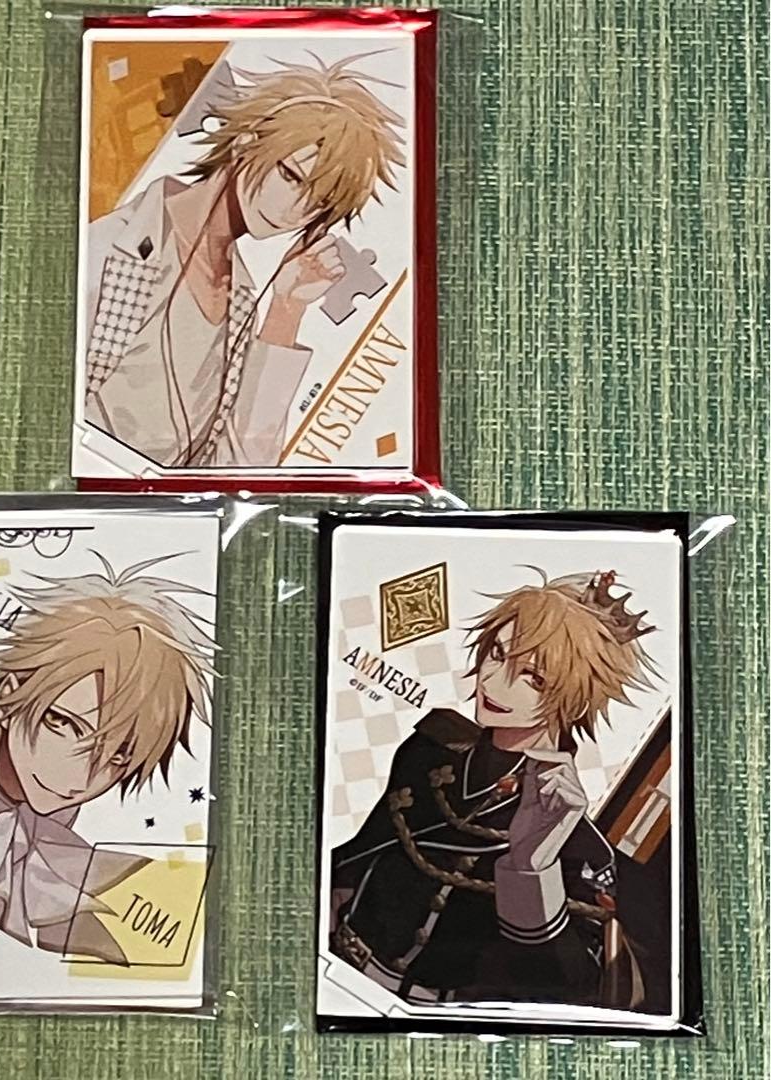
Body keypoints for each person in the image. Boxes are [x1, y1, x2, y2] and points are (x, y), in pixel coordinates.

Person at [330, 569, 669, 1010]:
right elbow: (358, 856)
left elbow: (567, 986)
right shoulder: (429, 749)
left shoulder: (578, 844)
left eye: (532, 677)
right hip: (333, 964)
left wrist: (531, 868)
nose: (493, 682)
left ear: (575, 698)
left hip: (427, 1014)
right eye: (497, 653)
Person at [0, 555, 215, 969]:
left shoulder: (44, 799)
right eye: (62, 723)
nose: (80, 778)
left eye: (118, 755)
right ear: (9, 695)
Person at [82, 55, 404, 468]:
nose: (295, 210)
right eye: (292, 177)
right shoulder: (114, 246)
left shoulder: (241, 298)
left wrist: (286, 309)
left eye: (319, 204)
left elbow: (239, 467)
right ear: (246, 141)